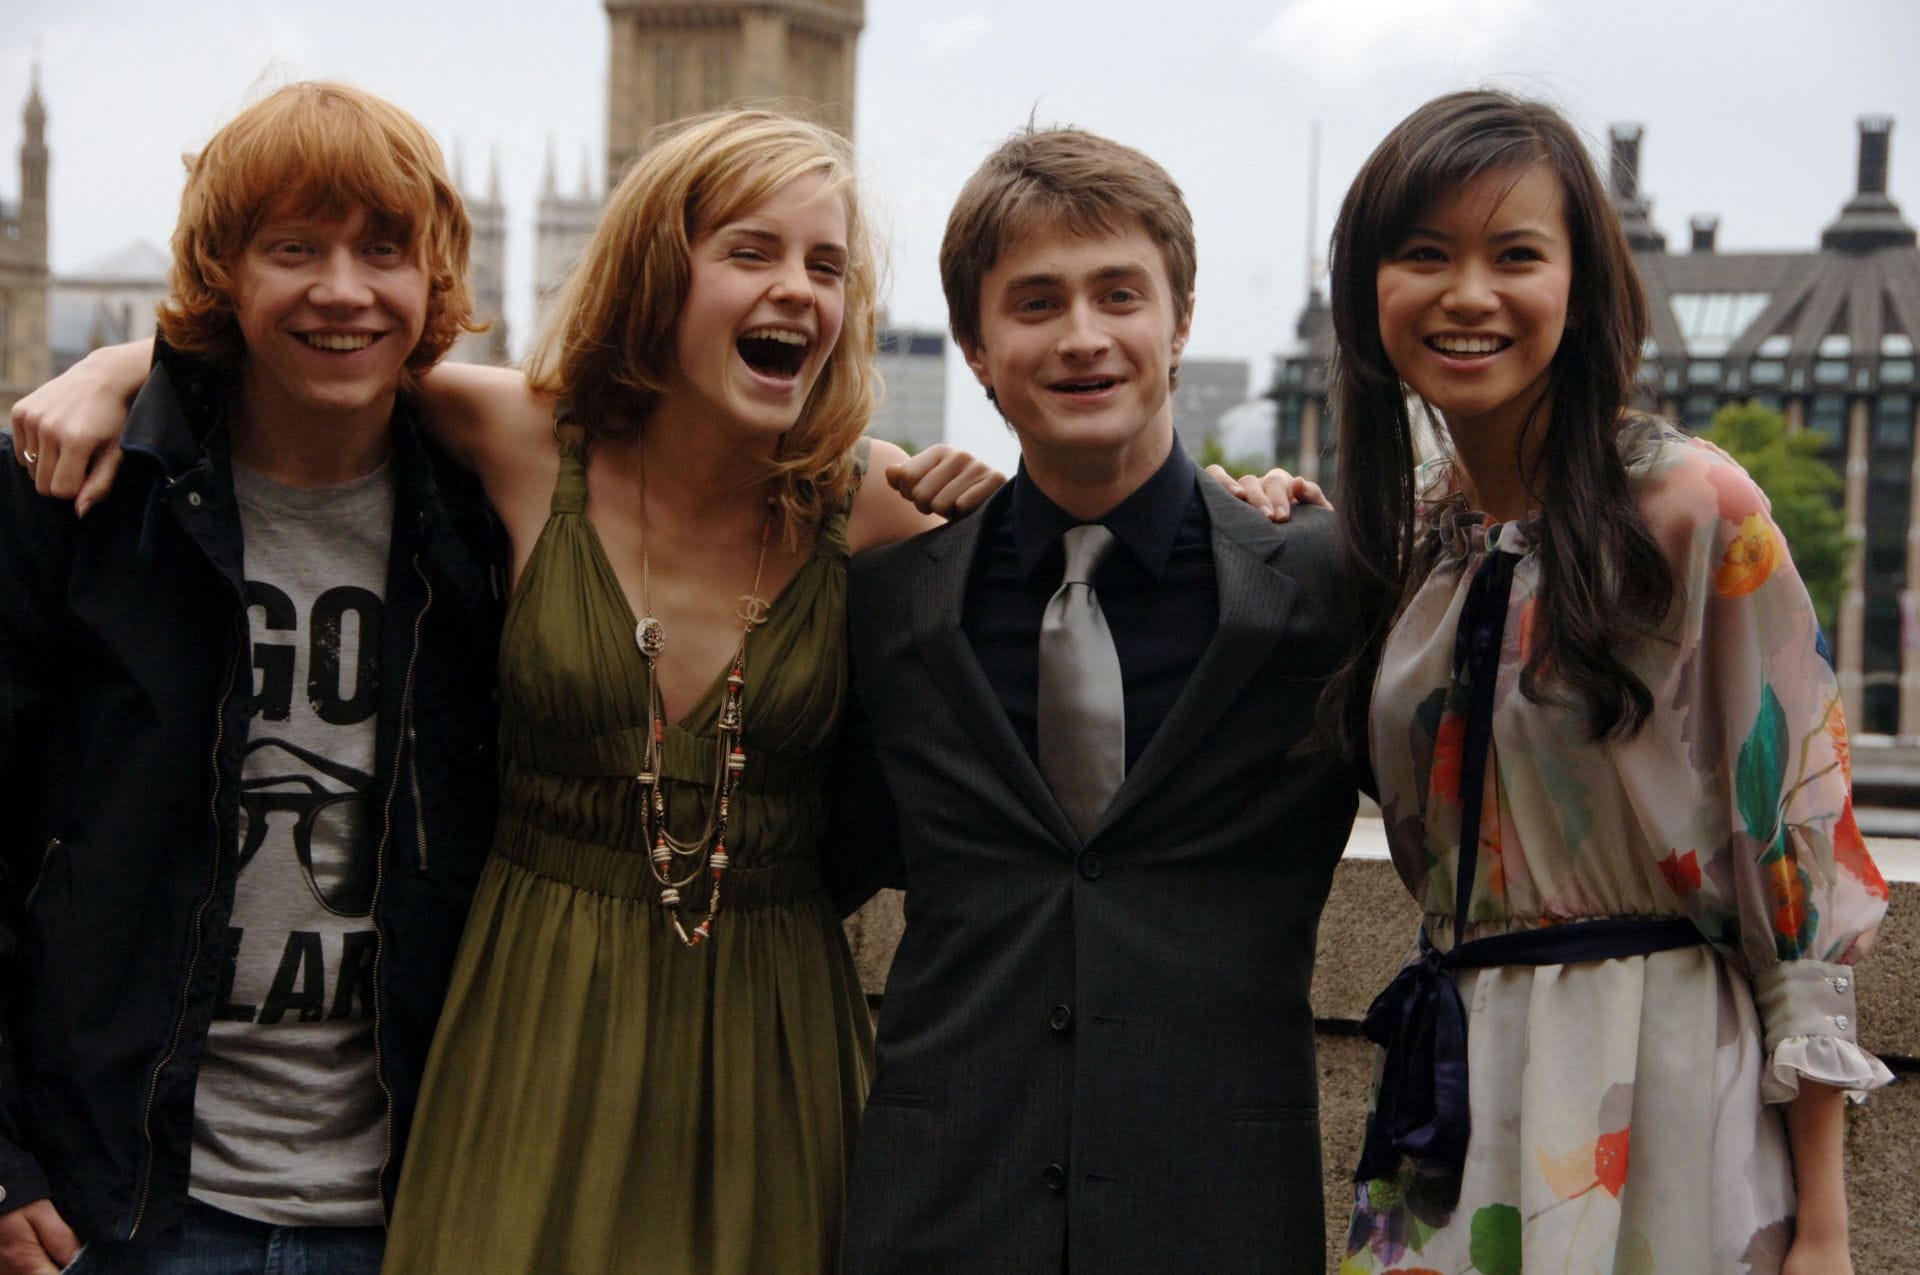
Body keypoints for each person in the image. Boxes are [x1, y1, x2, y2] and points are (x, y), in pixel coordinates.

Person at [1322, 90, 1892, 1274]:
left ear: (1581, 288)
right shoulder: (1422, 538)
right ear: (1367, 290)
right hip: (1458, 1083)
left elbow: (1796, 849)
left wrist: (1825, 1228)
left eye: (1515, 254)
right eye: (1423, 254)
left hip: (1665, 1086)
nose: (1467, 294)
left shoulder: (1692, 511)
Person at [826, 126, 1360, 1274]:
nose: (1082, 337)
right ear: (973, 346)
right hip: (936, 1219)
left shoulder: (1322, 586)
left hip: (1219, 1215)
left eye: (1120, 294)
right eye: (1035, 303)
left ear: (1181, 319)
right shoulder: (888, 608)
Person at [0, 82, 504, 1274]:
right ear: (222, 273)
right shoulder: (78, 503)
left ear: (434, 278)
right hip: (116, 1208)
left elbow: (707, 465)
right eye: (294, 248)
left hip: (415, 1208)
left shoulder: (487, 527)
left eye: (384, 249)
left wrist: (902, 471)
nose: (342, 287)